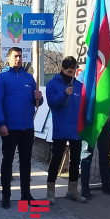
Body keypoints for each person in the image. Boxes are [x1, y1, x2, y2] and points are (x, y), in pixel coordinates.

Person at [0, 47, 43, 209]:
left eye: (20, 56)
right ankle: (6, 195)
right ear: (8, 59)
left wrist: (39, 99)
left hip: (27, 126)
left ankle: (25, 194)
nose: (18, 59)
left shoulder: (29, 78)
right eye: (15, 56)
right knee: (7, 161)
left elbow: (36, 102)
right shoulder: (1, 78)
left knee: (26, 162)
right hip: (9, 128)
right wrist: (1, 123)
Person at [45, 56, 86, 204]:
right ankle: (50, 191)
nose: (71, 73)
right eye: (69, 71)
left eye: (74, 70)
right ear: (62, 69)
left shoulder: (80, 85)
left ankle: (73, 190)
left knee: (75, 161)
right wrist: (64, 94)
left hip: (76, 129)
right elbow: (52, 103)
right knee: (56, 159)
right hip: (61, 128)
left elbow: (84, 106)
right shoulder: (52, 84)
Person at [80, 83, 110, 199]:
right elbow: (82, 96)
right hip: (90, 123)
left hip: (106, 123)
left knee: (105, 154)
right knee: (86, 155)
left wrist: (109, 112)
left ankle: (107, 185)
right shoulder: (85, 75)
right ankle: (84, 187)